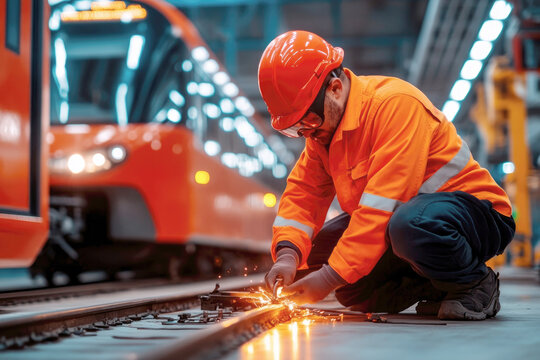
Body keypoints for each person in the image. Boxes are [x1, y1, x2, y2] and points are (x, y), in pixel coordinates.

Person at [258, 30, 515, 321]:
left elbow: (382, 208)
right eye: (294, 129)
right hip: (410, 227)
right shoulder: (322, 136)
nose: (306, 133)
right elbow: (303, 197)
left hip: (476, 216)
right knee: (321, 259)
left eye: (309, 121)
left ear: (335, 89)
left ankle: (474, 284)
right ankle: (435, 285)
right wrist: (288, 257)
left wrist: (330, 278)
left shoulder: (395, 106)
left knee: (407, 227)